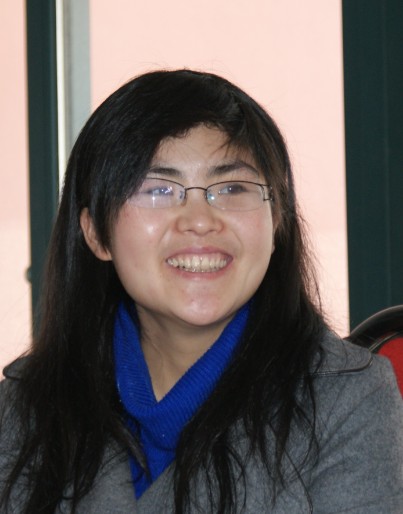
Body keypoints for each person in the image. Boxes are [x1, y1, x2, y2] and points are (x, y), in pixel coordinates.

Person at [1, 69, 402, 514]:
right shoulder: (24, 410)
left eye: (232, 188)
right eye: (158, 189)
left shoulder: (347, 401)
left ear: (277, 222)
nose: (199, 221)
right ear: (95, 233)